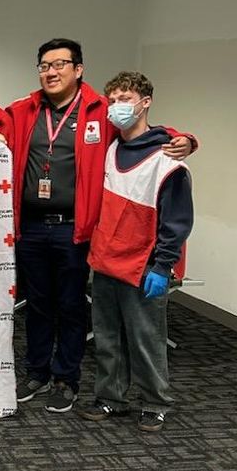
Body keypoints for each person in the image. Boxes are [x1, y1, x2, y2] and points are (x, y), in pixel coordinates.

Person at [8, 39, 196, 414]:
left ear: (78, 70)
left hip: (75, 229)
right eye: (44, 64)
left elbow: (150, 133)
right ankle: (38, 371)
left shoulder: (100, 112)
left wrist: (186, 140)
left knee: (72, 306)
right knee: (38, 306)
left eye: (60, 63)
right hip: (30, 226)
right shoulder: (23, 110)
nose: (51, 71)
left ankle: (66, 379)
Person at [81, 71, 193, 432]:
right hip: (106, 261)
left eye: (125, 99)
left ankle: (155, 402)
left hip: (144, 266)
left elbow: (177, 221)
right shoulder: (112, 147)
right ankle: (111, 397)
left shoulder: (168, 158)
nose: (116, 107)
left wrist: (163, 266)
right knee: (108, 339)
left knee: (146, 340)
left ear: (145, 102)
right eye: (112, 100)